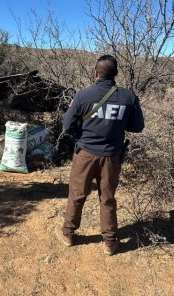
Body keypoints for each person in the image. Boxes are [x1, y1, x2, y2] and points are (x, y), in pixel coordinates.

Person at [55, 54, 144, 255]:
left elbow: (68, 125)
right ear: (116, 74)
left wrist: (82, 136)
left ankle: (68, 233)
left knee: (77, 194)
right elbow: (137, 126)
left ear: (95, 73)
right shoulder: (128, 97)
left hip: (85, 154)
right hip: (112, 156)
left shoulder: (82, 96)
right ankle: (110, 242)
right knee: (108, 198)